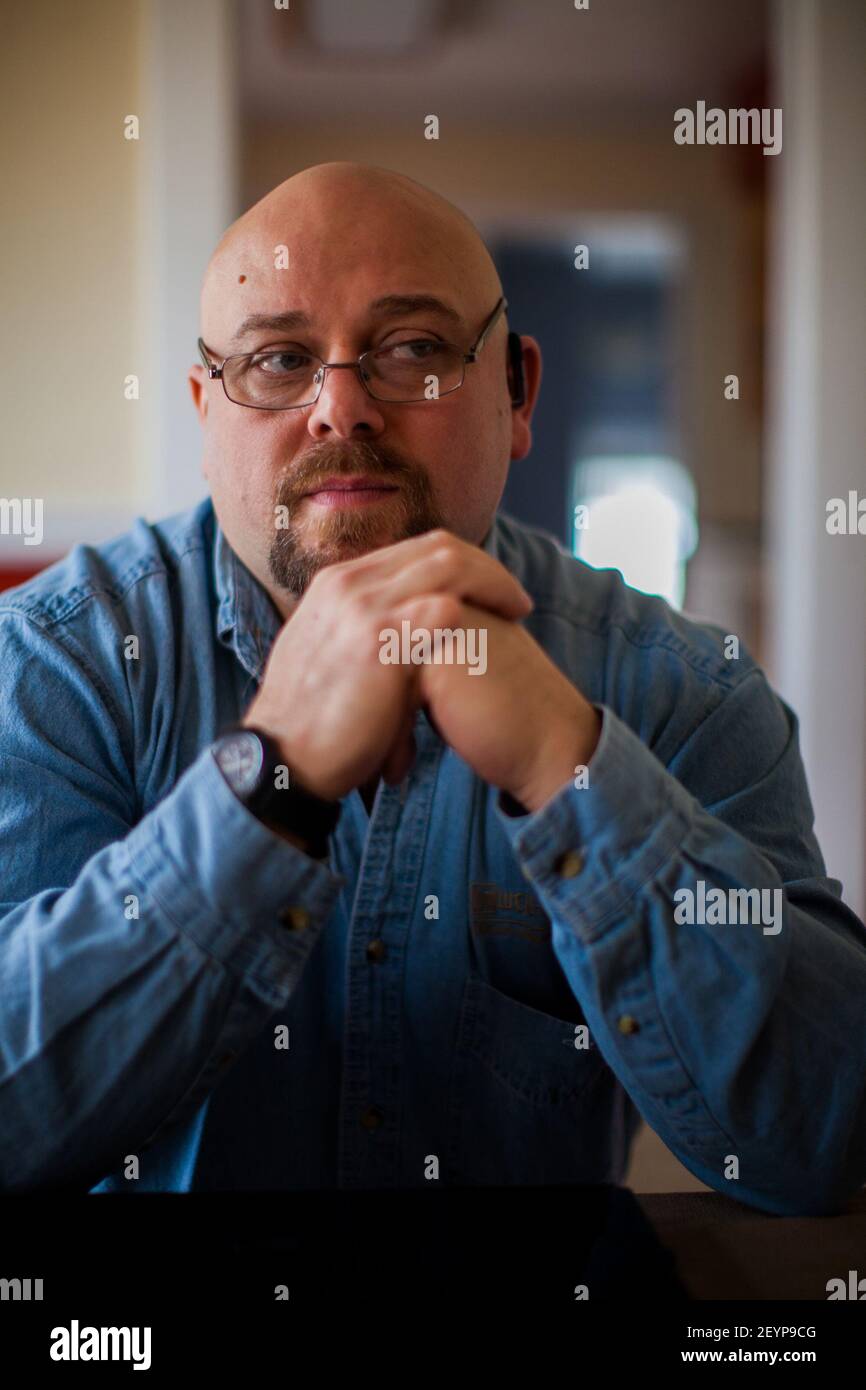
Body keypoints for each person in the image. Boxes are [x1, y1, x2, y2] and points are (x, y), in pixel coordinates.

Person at [1, 162, 863, 1213]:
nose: (341, 409)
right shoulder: (55, 666)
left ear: (515, 394)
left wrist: (570, 769)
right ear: (204, 411)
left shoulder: (680, 691)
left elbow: (825, 1142)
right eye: (277, 359)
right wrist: (263, 791)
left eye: (411, 349)